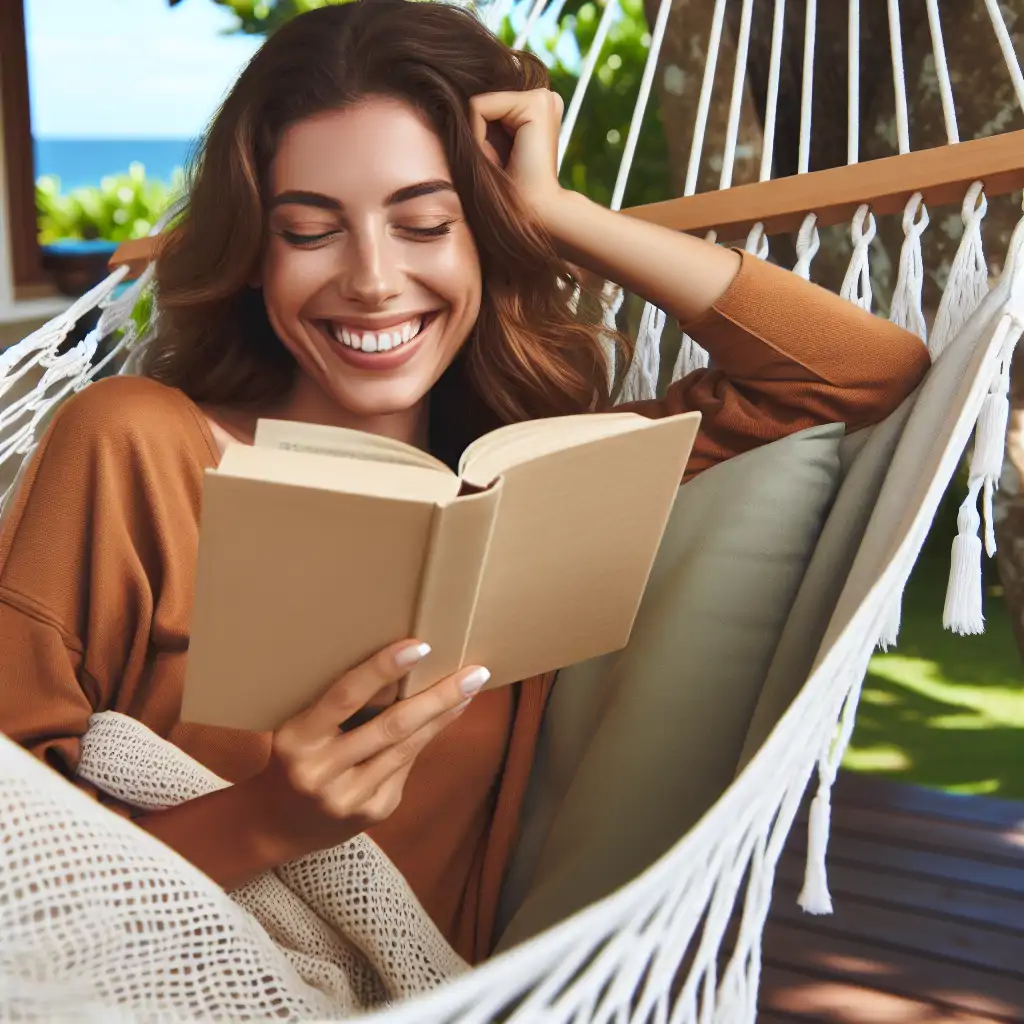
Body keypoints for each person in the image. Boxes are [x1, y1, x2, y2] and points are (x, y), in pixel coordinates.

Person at [0, 0, 928, 966]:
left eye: (427, 223)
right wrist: (270, 819)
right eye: (311, 231)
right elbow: (14, 856)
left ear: (483, 231)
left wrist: (557, 212)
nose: (371, 280)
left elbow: (863, 371)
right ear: (252, 259)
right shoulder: (138, 447)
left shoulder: (539, 494)